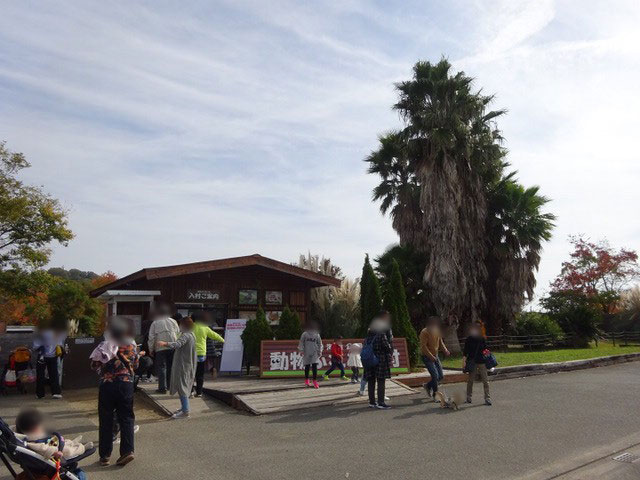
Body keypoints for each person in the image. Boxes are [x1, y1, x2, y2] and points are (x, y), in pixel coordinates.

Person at [90, 316, 140, 467]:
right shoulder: (131, 346)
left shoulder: (104, 345)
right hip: (126, 385)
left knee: (106, 419)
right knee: (126, 417)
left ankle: (105, 456)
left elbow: (93, 364)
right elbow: (136, 364)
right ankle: (127, 451)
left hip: (107, 385)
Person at [157, 316, 197, 419]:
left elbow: (177, 344)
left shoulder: (186, 335)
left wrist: (164, 343)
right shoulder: (191, 335)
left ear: (184, 325)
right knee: (183, 386)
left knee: (182, 387)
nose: (179, 326)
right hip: (187, 365)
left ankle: (185, 411)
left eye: (180, 324)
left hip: (184, 365)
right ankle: (184, 407)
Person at [147, 304, 180, 394]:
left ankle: (162, 388)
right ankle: (169, 386)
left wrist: (151, 349)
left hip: (160, 348)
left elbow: (151, 337)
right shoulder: (173, 321)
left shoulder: (155, 322)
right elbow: (178, 334)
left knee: (162, 367)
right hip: (172, 347)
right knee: (171, 367)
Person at [191, 311, 224, 397]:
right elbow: (214, 335)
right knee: (200, 373)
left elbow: (180, 336)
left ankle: (191, 391)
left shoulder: (189, 327)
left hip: (190, 353)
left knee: (190, 373)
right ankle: (199, 392)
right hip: (201, 353)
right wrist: (223, 340)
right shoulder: (204, 327)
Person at [419, 316, 451, 400]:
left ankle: (427, 386)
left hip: (435, 355)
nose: (435, 325)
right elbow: (423, 347)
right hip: (427, 356)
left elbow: (440, 341)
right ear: (429, 324)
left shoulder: (437, 330)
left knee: (440, 376)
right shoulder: (424, 332)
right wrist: (430, 356)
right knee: (435, 376)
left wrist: (445, 350)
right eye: (433, 324)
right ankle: (435, 395)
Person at [365, 317, 392, 409]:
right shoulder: (381, 334)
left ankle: (372, 402)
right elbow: (387, 347)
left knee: (371, 381)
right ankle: (381, 402)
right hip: (380, 360)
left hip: (369, 360)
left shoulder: (368, 336)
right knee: (381, 380)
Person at [33, 327, 66, 399]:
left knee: (41, 374)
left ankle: (40, 394)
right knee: (53, 374)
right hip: (52, 354)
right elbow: (61, 341)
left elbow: (36, 345)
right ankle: (56, 392)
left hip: (43, 354)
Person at [463, 322, 491, 406]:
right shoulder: (469, 339)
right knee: (470, 380)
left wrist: (488, 357)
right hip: (472, 361)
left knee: (485, 380)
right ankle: (468, 396)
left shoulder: (482, 338)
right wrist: (463, 361)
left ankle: (487, 398)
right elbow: (465, 351)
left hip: (482, 361)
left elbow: (485, 349)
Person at [298, 321, 322, 388]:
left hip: (314, 352)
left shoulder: (317, 335)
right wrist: (301, 350)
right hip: (306, 352)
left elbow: (320, 343)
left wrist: (320, 351)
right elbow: (301, 342)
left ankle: (315, 381)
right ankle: (307, 380)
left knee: (314, 367)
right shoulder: (305, 334)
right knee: (307, 366)